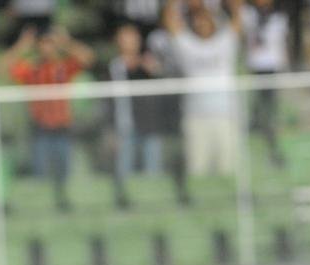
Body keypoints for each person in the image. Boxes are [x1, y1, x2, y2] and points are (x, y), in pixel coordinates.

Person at [2, 26, 95, 211]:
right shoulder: (32, 70)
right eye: (43, 44)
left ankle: (66, 208)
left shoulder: (63, 68)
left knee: (66, 178)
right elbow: (4, 67)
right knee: (41, 179)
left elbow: (88, 58)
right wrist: (22, 46)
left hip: (63, 129)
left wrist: (66, 43)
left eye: (50, 43)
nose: (47, 48)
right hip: (40, 131)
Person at [108, 24, 191, 207]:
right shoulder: (114, 66)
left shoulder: (149, 63)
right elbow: (110, 101)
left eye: (133, 37)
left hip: (150, 127)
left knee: (152, 175)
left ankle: (152, 210)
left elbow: (168, 83)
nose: (129, 42)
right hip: (124, 128)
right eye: (125, 37)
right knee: (124, 176)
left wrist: (152, 69)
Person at [163, 0, 244, 178]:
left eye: (205, 20)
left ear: (213, 21)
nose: (201, 23)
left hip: (226, 115)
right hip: (195, 117)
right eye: (197, 20)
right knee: (197, 169)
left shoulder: (225, 42)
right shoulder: (188, 45)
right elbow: (169, 20)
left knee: (228, 169)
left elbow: (238, 16)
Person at [241, 0, 290, 168]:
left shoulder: (279, 17)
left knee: (269, 108)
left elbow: (281, 42)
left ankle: (270, 138)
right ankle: (258, 127)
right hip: (255, 66)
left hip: (271, 66)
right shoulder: (248, 14)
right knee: (257, 104)